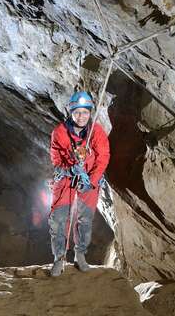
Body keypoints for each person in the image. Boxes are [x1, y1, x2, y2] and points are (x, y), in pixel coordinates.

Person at [48, 91, 110, 277]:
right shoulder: (59, 132)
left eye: (85, 112)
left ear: (90, 112)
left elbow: (103, 157)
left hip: (88, 180)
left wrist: (90, 180)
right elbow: (55, 158)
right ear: (71, 112)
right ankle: (59, 258)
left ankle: (80, 254)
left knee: (84, 221)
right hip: (67, 178)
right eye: (77, 113)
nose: (81, 117)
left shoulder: (96, 132)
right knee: (58, 219)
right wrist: (68, 169)